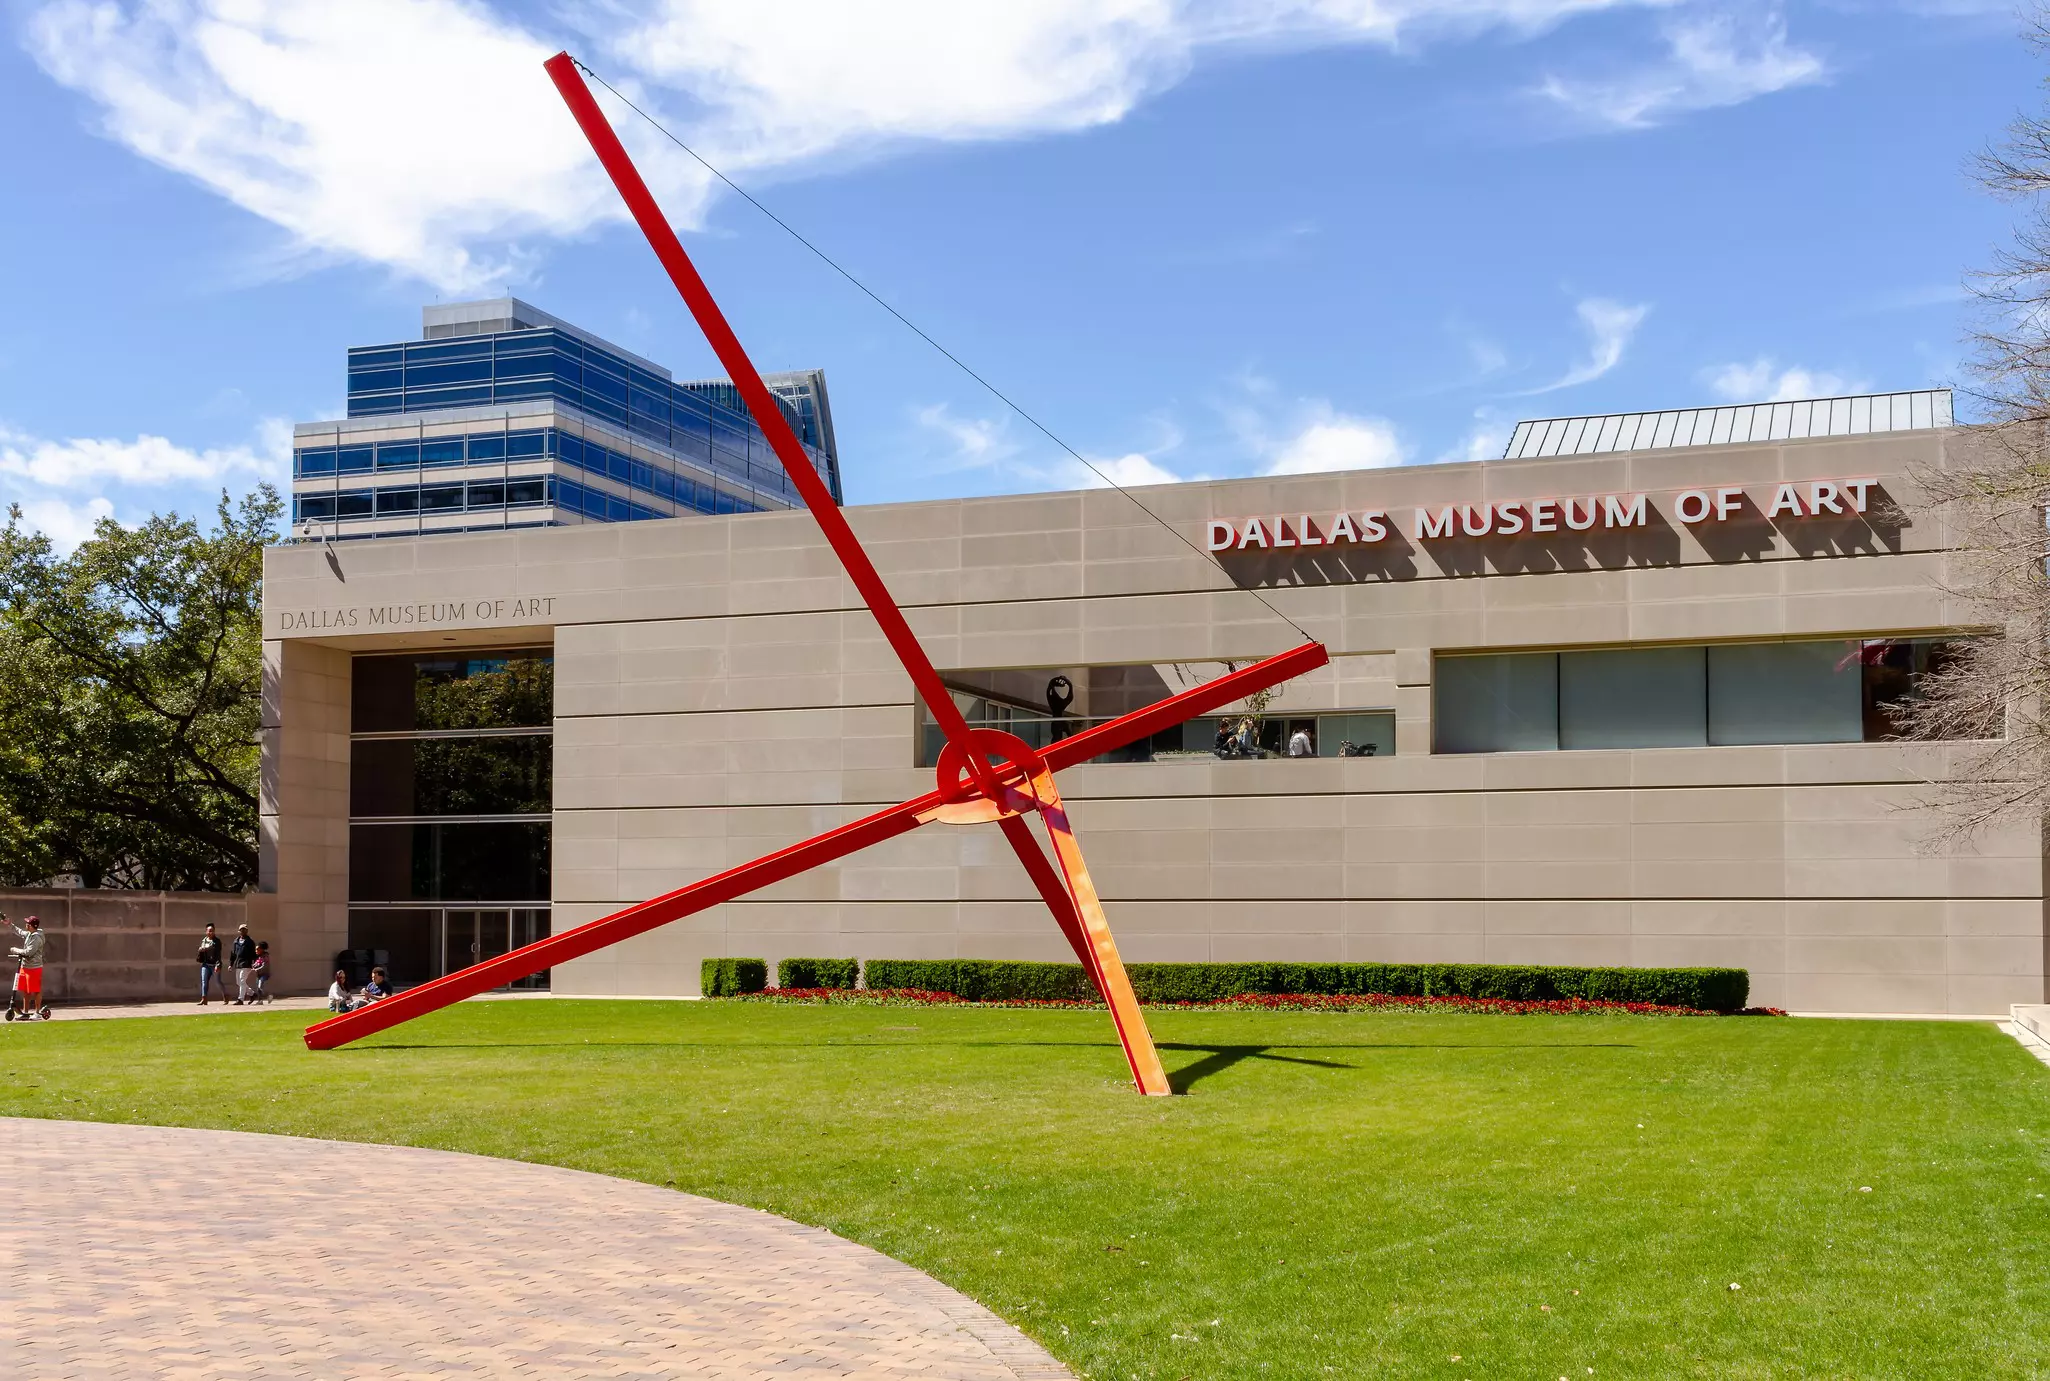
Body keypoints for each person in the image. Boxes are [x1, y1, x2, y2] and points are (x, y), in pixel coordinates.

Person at [8, 914, 46, 1019]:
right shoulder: (30, 934)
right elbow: (19, 932)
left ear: (32, 925)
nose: (26, 924)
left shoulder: (36, 938)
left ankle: (37, 1013)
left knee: (36, 990)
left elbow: (28, 952)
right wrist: (9, 924)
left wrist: (15, 950)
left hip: (34, 967)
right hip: (25, 966)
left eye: (28, 923)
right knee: (26, 990)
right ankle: (25, 1012)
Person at [229, 924, 258, 1005]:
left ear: (247, 931)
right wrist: (231, 964)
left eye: (245, 930)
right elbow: (233, 954)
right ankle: (252, 994)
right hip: (238, 964)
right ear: (239, 931)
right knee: (239, 982)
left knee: (242, 980)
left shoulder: (250, 942)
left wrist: (255, 963)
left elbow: (253, 954)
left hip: (246, 964)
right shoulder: (236, 941)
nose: (243, 931)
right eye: (242, 930)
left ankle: (240, 999)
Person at [197, 923, 225, 1006]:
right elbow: (201, 949)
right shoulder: (204, 940)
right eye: (209, 931)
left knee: (217, 982)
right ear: (206, 932)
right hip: (206, 964)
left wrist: (218, 965)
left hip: (215, 964)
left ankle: (225, 995)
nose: (211, 933)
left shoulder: (217, 941)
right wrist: (200, 949)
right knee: (204, 982)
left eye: (212, 931)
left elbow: (217, 954)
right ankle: (204, 999)